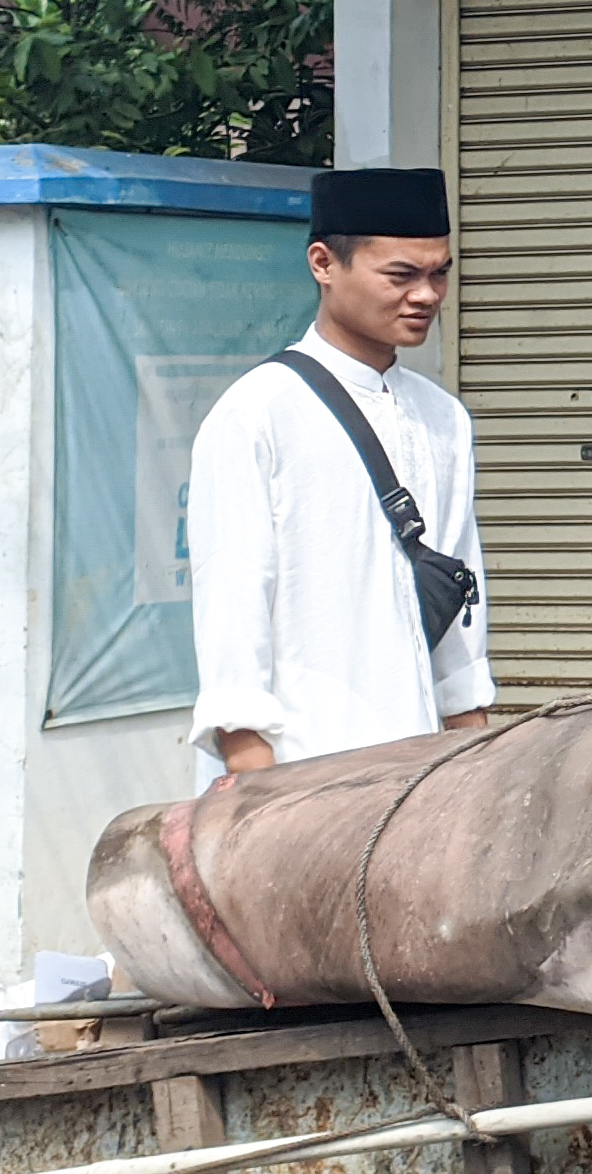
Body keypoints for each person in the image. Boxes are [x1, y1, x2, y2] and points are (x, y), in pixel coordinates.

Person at [189, 167, 496, 779]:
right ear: (323, 264)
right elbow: (232, 603)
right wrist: (255, 783)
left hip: (417, 772)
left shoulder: (444, 419)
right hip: (300, 772)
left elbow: (461, 600)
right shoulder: (258, 413)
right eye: (401, 276)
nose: (426, 295)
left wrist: (476, 756)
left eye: (439, 274)